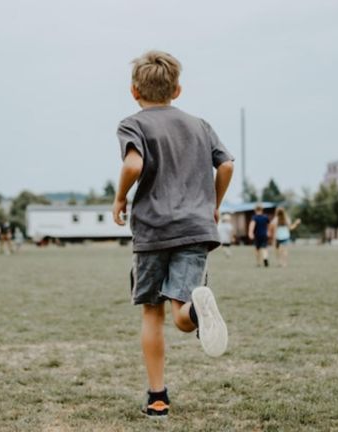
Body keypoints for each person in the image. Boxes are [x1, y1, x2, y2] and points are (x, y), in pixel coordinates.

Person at [112, 50, 234, 418]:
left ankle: (158, 398)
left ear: (134, 91)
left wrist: (120, 198)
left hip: (153, 231)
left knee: (153, 313)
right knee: (181, 311)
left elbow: (134, 163)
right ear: (177, 90)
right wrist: (214, 202)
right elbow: (226, 164)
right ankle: (196, 310)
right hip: (196, 228)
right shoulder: (200, 125)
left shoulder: (134, 124)